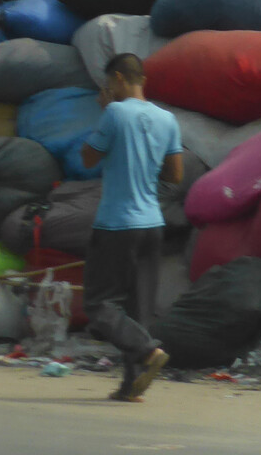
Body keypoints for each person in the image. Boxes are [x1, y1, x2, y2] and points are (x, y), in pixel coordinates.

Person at [80, 52, 183, 402]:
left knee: (99, 304)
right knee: (138, 309)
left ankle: (149, 351)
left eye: (110, 83)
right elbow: (176, 174)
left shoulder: (114, 112)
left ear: (120, 79)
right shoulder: (168, 119)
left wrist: (104, 112)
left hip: (116, 224)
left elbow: (88, 158)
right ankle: (131, 385)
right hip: (152, 223)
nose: (108, 89)